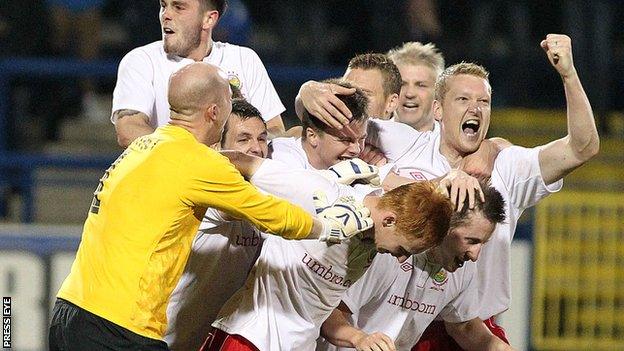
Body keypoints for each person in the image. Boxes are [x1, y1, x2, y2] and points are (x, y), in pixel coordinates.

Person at [48, 62, 371, 350]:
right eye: (229, 104)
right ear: (215, 112)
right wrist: (328, 227)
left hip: (71, 310)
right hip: (120, 326)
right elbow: (271, 214)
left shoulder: (144, 146)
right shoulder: (199, 162)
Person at [366, 34, 599, 348]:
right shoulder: (403, 145)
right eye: (463, 100)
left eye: (484, 102)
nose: (475, 108)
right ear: (437, 109)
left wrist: (569, 75)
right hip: (397, 321)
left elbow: (582, 148)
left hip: (473, 329)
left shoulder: (507, 166)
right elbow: (327, 129)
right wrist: (306, 97)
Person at [200, 153, 460, 351]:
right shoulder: (322, 195)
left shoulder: (372, 242)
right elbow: (242, 161)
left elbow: (320, 311)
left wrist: (360, 338)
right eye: (403, 249)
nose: (401, 258)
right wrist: (177, 166)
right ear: (389, 220)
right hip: (249, 338)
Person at [319, 182, 513, 351]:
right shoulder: (388, 250)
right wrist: (360, 339)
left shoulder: (461, 267)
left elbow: (463, 325)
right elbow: (330, 315)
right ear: (445, 226)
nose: (475, 254)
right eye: (471, 240)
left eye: (482, 244)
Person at [164, 98, 270, 350]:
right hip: (165, 338)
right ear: (217, 147)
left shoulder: (264, 192)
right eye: (243, 139)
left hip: (212, 340)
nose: (256, 149)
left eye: (262, 139)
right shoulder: (207, 189)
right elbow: (237, 210)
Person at [112, 0, 287, 148]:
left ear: (209, 19)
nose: (166, 15)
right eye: (164, 5)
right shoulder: (142, 61)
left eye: (178, 7)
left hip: (236, 182)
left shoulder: (244, 59)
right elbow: (128, 129)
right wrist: (196, 160)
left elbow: (275, 130)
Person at [295, 53, 401, 128]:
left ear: (391, 103)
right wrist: (305, 91)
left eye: (364, 94)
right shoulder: (324, 140)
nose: (353, 100)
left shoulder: (408, 146)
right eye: (348, 91)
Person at [386, 41, 445, 132]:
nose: (410, 93)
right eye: (402, 84)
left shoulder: (452, 143)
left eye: (421, 85)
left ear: (438, 93)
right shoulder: (368, 139)